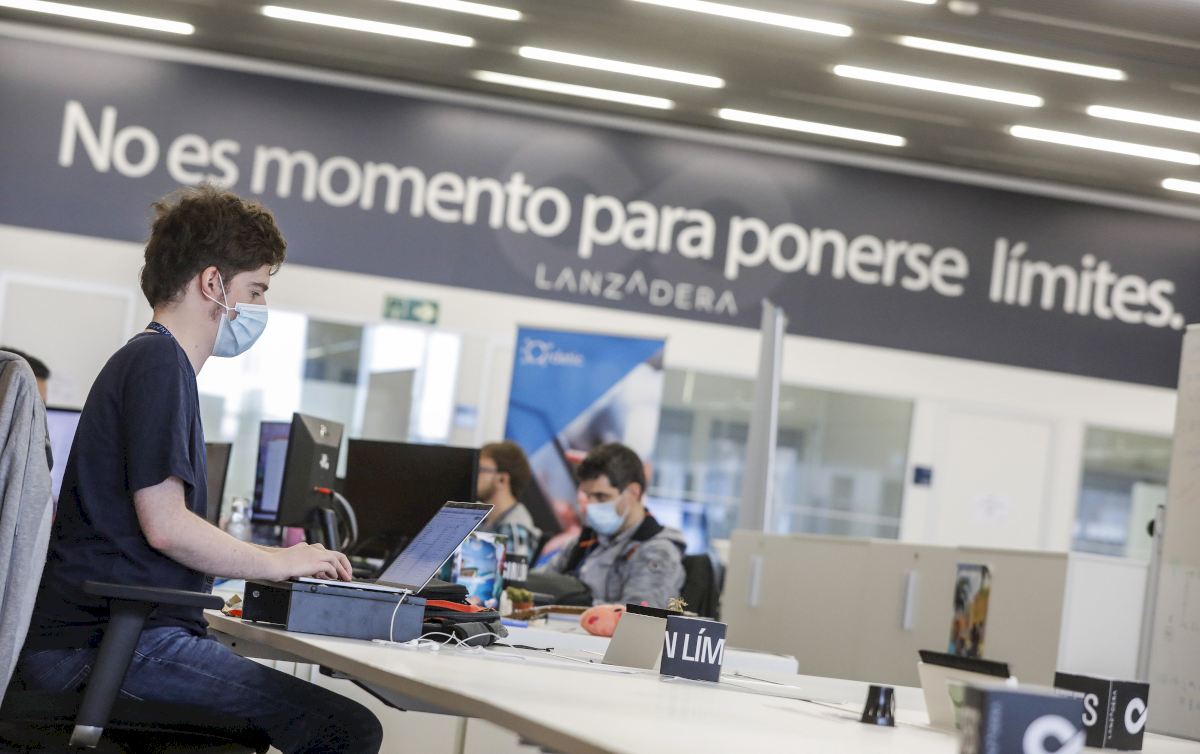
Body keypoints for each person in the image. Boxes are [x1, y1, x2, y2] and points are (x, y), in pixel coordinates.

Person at [11, 186, 383, 754]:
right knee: (348, 728)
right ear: (213, 283)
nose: (259, 306)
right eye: (255, 290)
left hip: (113, 639)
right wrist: (280, 561)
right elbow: (167, 526)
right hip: (105, 649)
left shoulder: (153, 362)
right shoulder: (158, 363)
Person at [538, 443, 685, 609]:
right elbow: (540, 584)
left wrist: (579, 603)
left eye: (601, 497)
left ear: (633, 492)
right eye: (588, 496)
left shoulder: (658, 551)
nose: (591, 505)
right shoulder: (585, 542)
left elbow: (640, 614)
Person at [476, 441, 542, 561]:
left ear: (502, 479)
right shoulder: (483, 519)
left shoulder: (515, 527)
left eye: (480, 469)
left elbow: (508, 573)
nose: (474, 475)